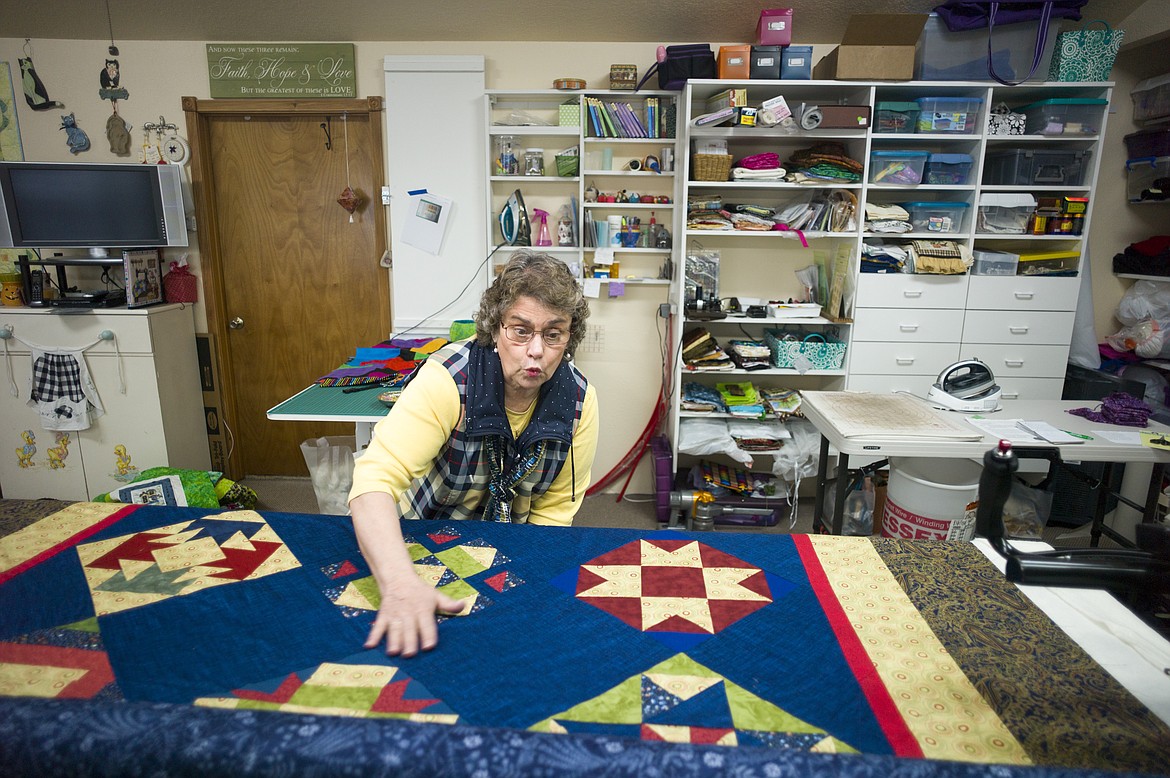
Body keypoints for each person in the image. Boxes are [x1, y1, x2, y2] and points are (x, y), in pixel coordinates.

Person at [348, 250, 599, 657]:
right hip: (412, 543)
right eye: (520, 331)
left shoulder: (581, 404)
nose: (536, 350)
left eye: (553, 334)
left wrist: (519, 586)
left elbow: (553, 513)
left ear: (569, 337)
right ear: (494, 329)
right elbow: (373, 481)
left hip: (509, 549)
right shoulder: (447, 380)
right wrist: (399, 582)